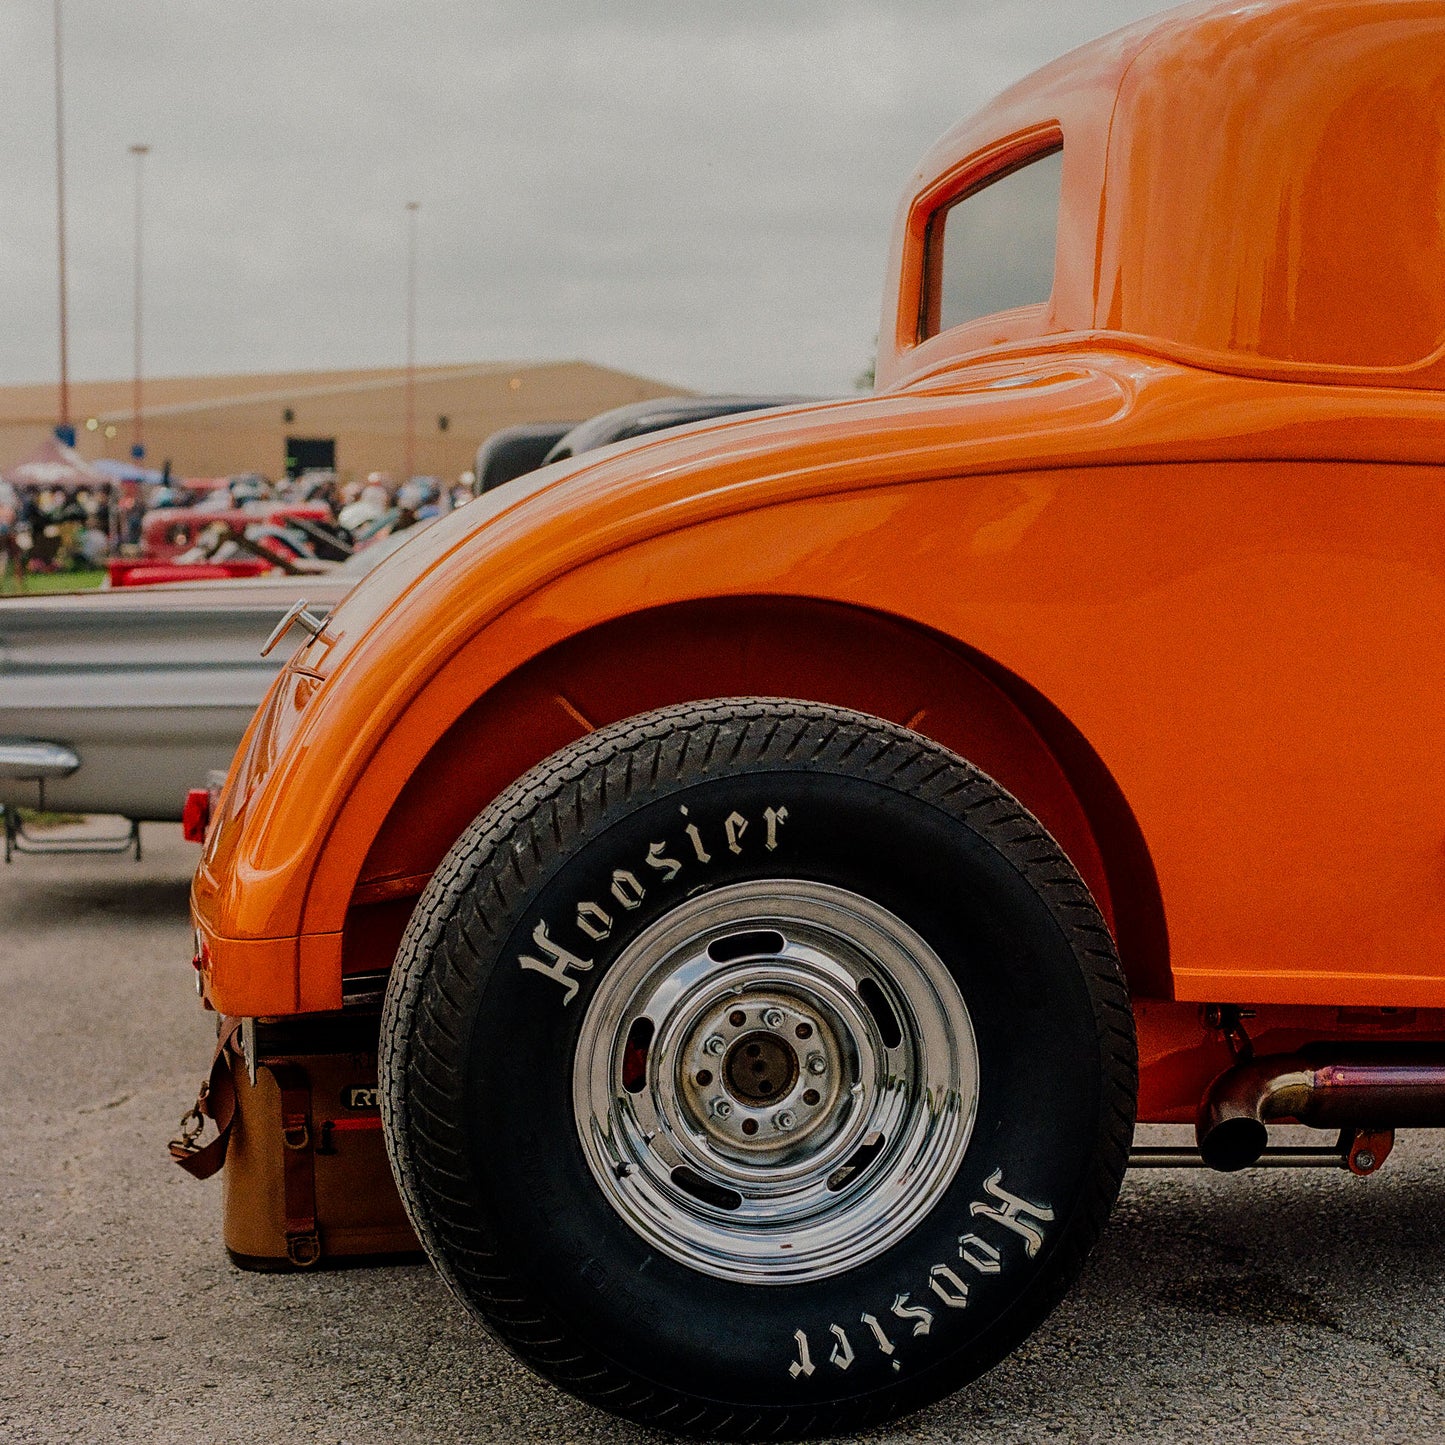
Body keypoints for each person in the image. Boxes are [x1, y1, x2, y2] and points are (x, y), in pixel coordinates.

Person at [0, 476, 21, 591]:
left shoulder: (6, 487)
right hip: (7, 527)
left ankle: (16, 583)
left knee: (6, 554)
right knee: (12, 554)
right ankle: (18, 584)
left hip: (5, 527)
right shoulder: (8, 488)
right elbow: (15, 507)